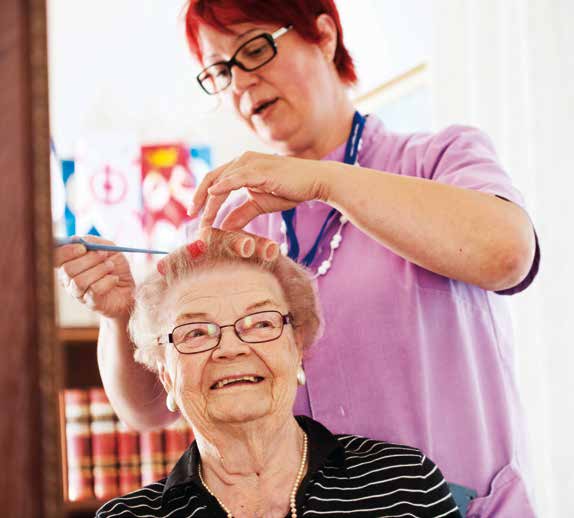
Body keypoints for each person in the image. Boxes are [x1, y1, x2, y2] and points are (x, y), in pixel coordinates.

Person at [55, 1, 539, 515]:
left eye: (254, 48)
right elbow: (154, 407)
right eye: (221, 70)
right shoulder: (230, 217)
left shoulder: (436, 159)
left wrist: (323, 179)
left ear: (325, 36)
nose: (239, 82)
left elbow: (507, 254)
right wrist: (118, 315)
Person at [95, 231, 462, 518]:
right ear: (166, 377)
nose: (231, 348)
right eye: (196, 333)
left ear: (298, 348)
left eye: (260, 323)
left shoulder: (403, 484)